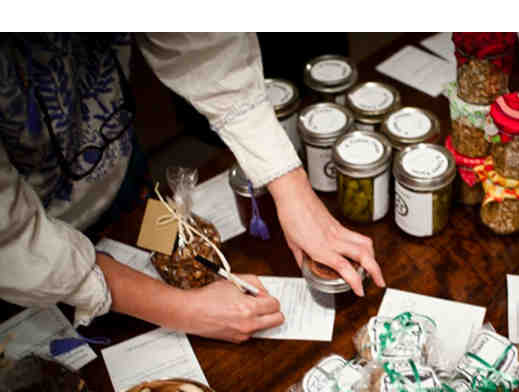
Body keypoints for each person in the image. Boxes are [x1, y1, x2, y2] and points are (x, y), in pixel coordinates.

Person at [0, 32, 385, 343]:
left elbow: (204, 47)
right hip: (28, 272)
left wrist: (292, 188)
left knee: (145, 222)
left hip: (117, 174)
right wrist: (182, 309)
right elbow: (15, 246)